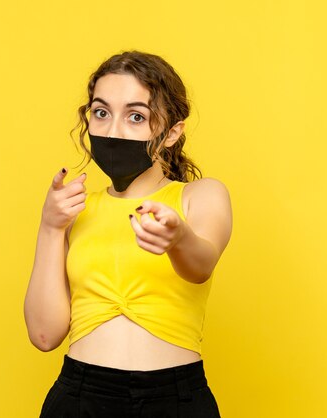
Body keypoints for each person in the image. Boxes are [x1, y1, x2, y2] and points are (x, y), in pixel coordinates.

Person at [24, 50, 233, 417]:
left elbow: (200, 265)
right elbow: (44, 336)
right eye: (101, 113)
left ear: (171, 133)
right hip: (79, 398)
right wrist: (50, 226)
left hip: (175, 400)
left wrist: (178, 238)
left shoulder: (201, 196)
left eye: (136, 117)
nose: (113, 131)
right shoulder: (74, 209)